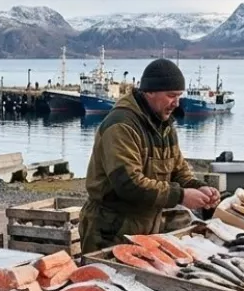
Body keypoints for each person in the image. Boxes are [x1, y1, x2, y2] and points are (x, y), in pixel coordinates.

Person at [80, 58, 221, 253]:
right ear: (150, 91)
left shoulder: (164, 125)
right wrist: (181, 196)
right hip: (110, 230)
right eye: (171, 95)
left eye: (179, 96)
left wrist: (199, 188)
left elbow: (178, 172)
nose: (177, 103)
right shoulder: (121, 126)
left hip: (148, 226)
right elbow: (129, 184)